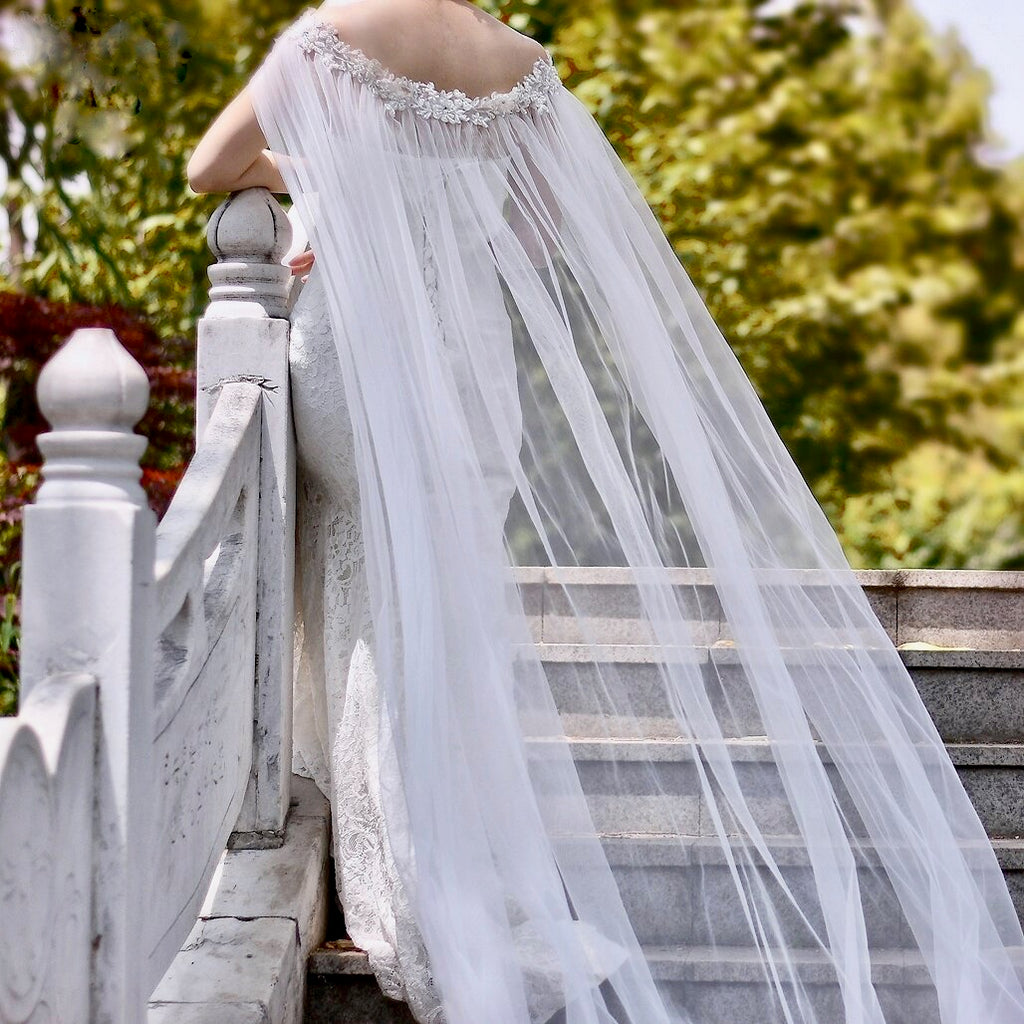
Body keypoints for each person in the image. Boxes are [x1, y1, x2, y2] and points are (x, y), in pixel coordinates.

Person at [187, 2, 1024, 1021]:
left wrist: (325, 179)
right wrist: (441, 216)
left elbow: (209, 167)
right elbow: (537, 241)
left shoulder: (331, 33)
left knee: (369, 569)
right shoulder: (515, 59)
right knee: (447, 597)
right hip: (471, 365)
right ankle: (461, 857)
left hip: (358, 351)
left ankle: (396, 863)